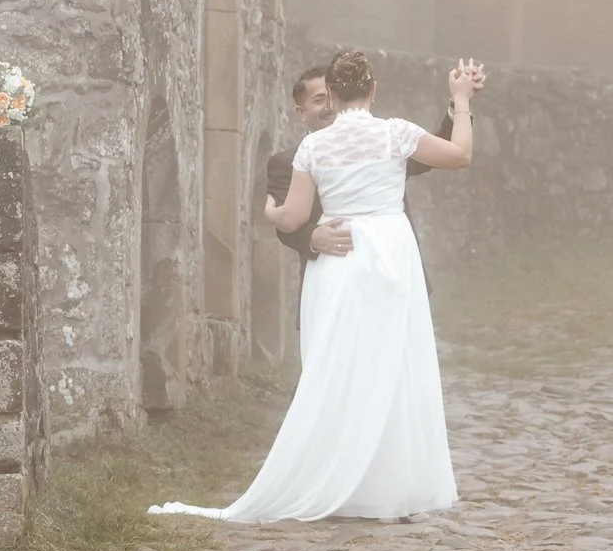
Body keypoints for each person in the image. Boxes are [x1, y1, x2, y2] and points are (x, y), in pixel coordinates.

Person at [149, 50, 486, 523]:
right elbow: (461, 155)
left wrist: (269, 210)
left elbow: (289, 216)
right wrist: (461, 99)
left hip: (339, 263)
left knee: (337, 367)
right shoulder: (396, 133)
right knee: (392, 365)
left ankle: (343, 480)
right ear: (372, 91)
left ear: (334, 94)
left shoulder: (313, 148)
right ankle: (383, 486)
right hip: (390, 253)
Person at [267, 62, 474, 269]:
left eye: (332, 96)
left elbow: (440, 152)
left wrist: (458, 103)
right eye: (320, 99)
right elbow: (287, 222)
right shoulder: (288, 161)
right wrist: (311, 238)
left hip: (393, 265)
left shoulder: (386, 141)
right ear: (301, 111)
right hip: (334, 273)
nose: (329, 105)